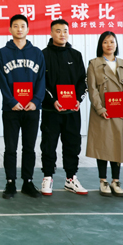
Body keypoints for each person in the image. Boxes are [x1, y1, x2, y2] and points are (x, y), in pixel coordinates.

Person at [0, 14, 45, 199]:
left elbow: (42, 80)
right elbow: (1, 80)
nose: (19, 29)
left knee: (29, 148)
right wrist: (11, 101)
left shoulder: (37, 53)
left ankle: (28, 182)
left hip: (32, 108)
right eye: (15, 26)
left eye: (22, 26)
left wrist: (36, 101)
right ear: (10, 29)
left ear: (28, 29)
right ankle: (10, 182)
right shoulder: (2, 53)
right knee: (10, 148)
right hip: (11, 109)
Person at [40, 19, 88, 196]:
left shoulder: (76, 55)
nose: (62, 34)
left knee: (72, 145)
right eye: (58, 30)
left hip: (72, 111)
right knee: (48, 145)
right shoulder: (43, 55)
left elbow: (83, 81)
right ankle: (47, 177)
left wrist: (78, 100)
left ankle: (71, 178)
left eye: (65, 30)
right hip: (50, 111)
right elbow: (40, 82)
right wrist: (52, 100)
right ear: (51, 33)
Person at [85, 31, 123, 198]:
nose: (109, 45)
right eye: (105, 42)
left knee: (118, 146)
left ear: (116, 44)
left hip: (121, 113)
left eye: (112, 42)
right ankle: (103, 181)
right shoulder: (94, 64)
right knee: (102, 146)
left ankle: (116, 181)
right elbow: (92, 89)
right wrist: (100, 109)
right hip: (103, 113)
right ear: (101, 45)